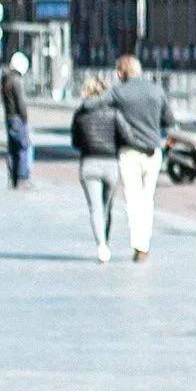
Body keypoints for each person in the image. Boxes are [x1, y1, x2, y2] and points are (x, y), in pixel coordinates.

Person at [108, 55, 174, 264]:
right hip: (153, 152)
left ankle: (140, 244)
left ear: (121, 73)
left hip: (129, 152)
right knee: (147, 199)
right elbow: (169, 122)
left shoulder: (119, 92)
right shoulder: (156, 90)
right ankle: (144, 242)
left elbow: (99, 107)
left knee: (132, 199)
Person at [71, 75, 122, 263]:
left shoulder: (80, 113)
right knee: (107, 207)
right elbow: (124, 135)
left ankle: (101, 245)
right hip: (111, 164)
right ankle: (105, 240)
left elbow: (75, 141)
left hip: (88, 163)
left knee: (95, 208)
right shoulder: (114, 112)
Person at [0, 53, 34, 188]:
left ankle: (13, 177)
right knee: (23, 148)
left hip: (9, 117)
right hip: (17, 119)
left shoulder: (5, 79)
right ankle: (23, 177)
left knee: (12, 149)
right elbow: (21, 102)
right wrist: (25, 117)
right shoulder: (16, 81)